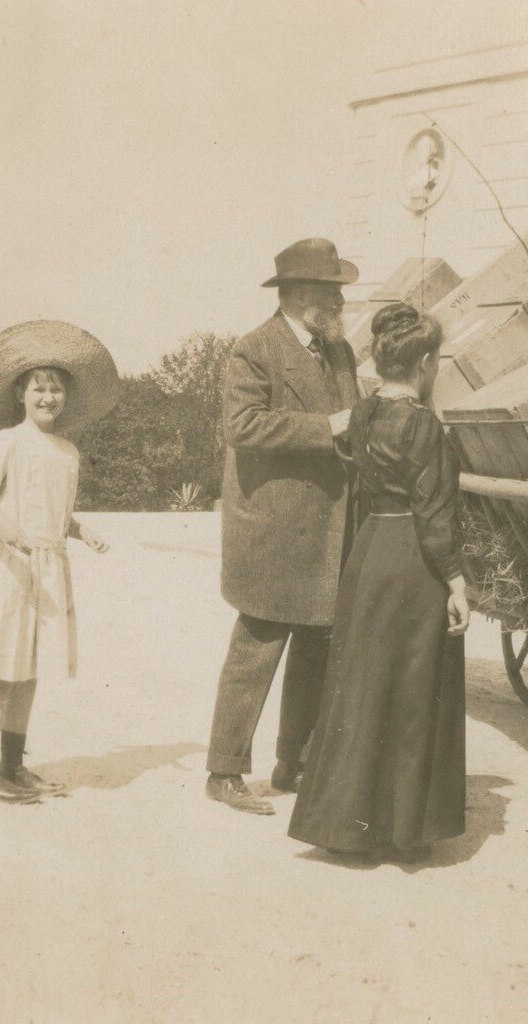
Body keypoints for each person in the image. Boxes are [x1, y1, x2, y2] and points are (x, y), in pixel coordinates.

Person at [289, 303, 470, 863]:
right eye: (436, 360)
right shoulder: (423, 426)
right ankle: (401, 830)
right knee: (412, 690)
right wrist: (457, 581)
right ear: (424, 362)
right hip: (413, 559)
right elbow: (434, 514)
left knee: (362, 683)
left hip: (369, 553)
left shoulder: (363, 414)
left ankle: (345, 825)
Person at [207, 238, 361, 815]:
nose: (340, 301)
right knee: (257, 648)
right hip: (272, 530)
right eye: (330, 291)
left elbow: (355, 418)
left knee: (316, 647)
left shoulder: (339, 351)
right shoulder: (254, 350)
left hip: (327, 526)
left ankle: (293, 763)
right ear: (297, 295)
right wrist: (330, 426)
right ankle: (224, 772)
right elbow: (243, 426)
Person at [0, 321, 121, 804]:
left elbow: (56, 512)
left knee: (28, 671)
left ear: (66, 398)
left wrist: (81, 530)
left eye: (56, 390)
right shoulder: (9, 441)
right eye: (38, 389)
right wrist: (5, 528)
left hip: (48, 572)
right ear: (20, 394)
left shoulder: (68, 452)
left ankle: (12, 767)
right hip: (8, 570)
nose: (48, 398)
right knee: (0, 670)